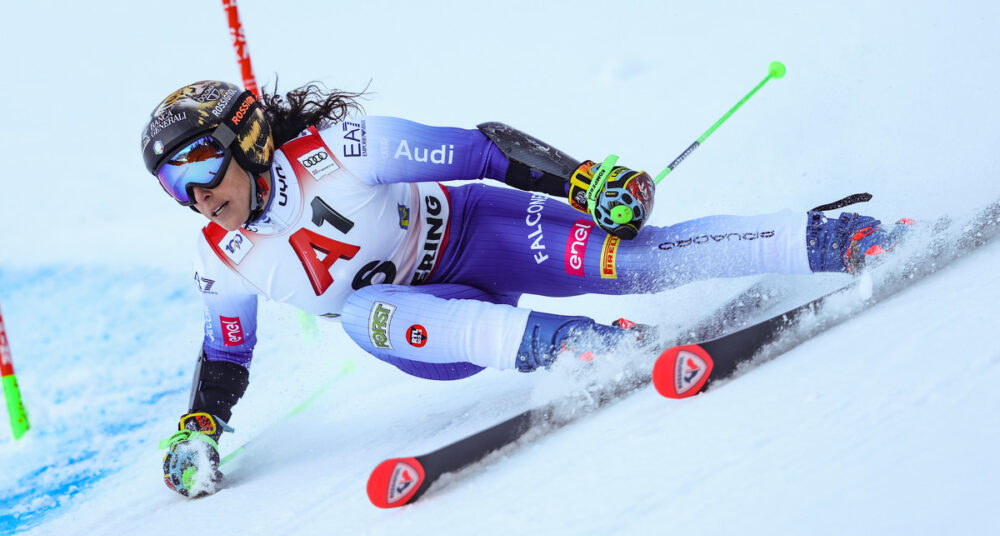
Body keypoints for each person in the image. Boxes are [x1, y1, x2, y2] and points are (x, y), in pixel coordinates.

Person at [142, 80, 900, 497]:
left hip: (480, 229)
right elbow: (225, 356)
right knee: (360, 314)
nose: (197, 196)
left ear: (245, 139)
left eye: (200, 167)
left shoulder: (342, 150)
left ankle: (833, 239)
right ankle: (582, 346)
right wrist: (199, 430)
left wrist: (584, 179)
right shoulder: (223, 257)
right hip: (427, 326)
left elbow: (481, 148)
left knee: (637, 261)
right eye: (175, 186)